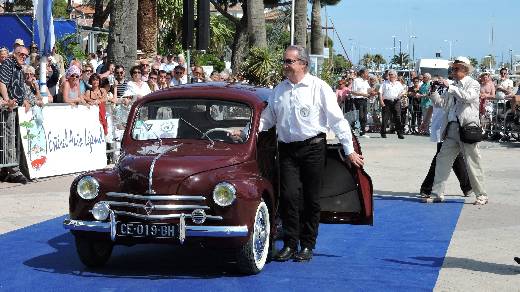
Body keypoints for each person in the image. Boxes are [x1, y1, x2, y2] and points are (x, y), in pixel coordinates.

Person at [256, 45, 364, 262]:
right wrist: (249, 130)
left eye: (289, 62)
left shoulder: (319, 87)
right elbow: (268, 119)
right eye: (284, 61)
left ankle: (307, 245)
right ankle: (289, 243)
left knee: (311, 198)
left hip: (313, 148)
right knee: (288, 196)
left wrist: (349, 149)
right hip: (287, 149)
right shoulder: (280, 90)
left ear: (303, 64)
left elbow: (337, 120)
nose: (285, 66)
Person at [425, 56, 487, 205]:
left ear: (465, 70)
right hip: (452, 128)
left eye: (456, 68)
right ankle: (437, 193)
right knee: (442, 159)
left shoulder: (473, 84)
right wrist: (433, 92)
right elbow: (441, 104)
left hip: (467, 128)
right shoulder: (452, 85)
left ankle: (481, 195)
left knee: (473, 162)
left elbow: (468, 97)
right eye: (452, 68)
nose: (453, 70)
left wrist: (450, 87)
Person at [0, 45, 30, 184]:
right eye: (21, 54)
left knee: (14, 138)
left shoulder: (19, 68)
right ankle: (13, 170)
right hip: (8, 108)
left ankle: (6, 170)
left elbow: (20, 86)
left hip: (17, 107)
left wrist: (24, 99)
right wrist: (7, 100)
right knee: (9, 138)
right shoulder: (8, 63)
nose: (24, 57)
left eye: (26, 55)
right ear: (15, 54)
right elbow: (2, 83)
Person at [379, 69, 406, 139]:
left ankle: (400, 133)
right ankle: (383, 132)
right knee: (385, 118)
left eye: (391, 75)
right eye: (389, 75)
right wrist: (381, 101)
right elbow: (380, 93)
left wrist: (401, 94)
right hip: (387, 101)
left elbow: (403, 91)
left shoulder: (398, 83)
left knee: (397, 117)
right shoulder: (384, 83)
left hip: (396, 101)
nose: (390, 76)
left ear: (395, 76)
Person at [350, 69, 373, 137]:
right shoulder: (356, 80)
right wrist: (363, 94)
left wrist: (373, 91)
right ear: (363, 74)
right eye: (367, 73)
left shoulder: (366, 81)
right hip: (358, 100)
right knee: (360, 116)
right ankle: (356, 129)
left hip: (365, 100)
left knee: (364, 117)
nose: (368, 75)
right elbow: (353, 92)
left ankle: (363, 132)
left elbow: (368, 90)